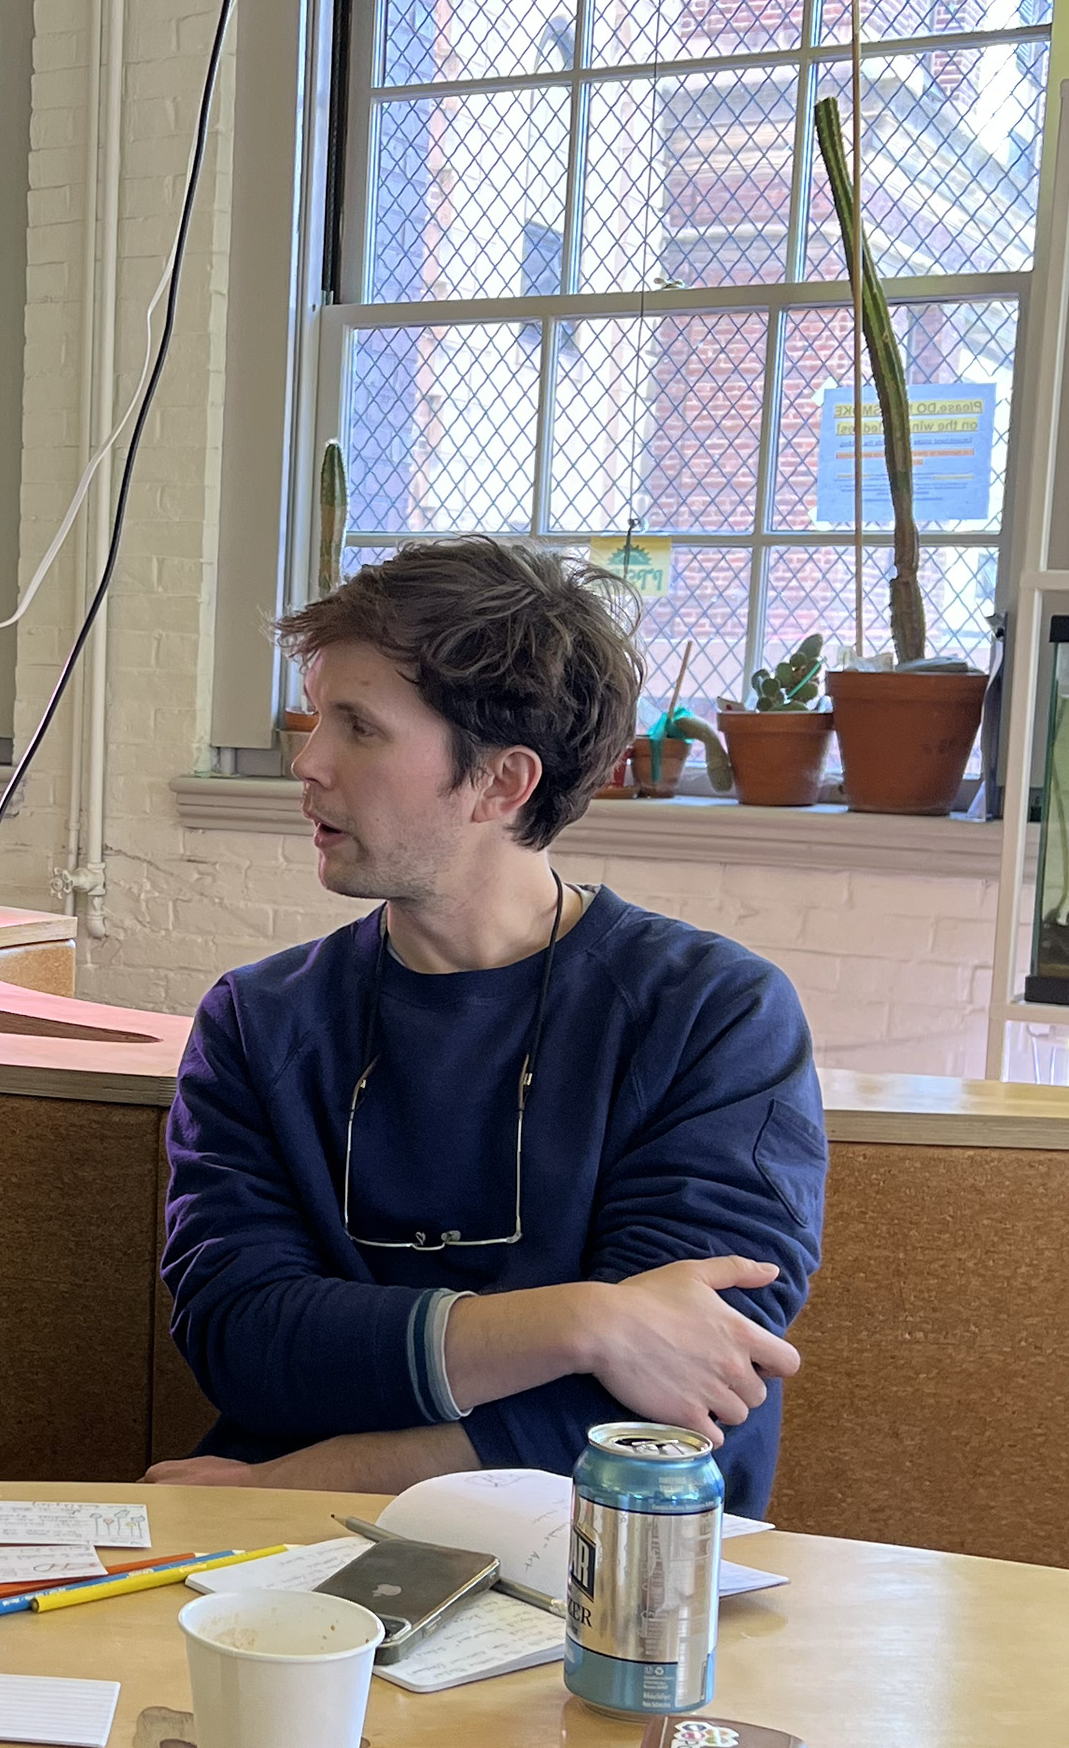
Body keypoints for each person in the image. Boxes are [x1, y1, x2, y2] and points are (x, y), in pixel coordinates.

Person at [150, 538, 827, 1514]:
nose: (308, 760)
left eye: (360, 727)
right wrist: (585, 1321)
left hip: (612, 1587)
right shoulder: (260, 1021)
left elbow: (674, 1411)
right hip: (299, 1585)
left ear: (503, 782)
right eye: (315, 718)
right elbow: (246, 1342)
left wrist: (298, 1478)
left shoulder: (712, 1015)